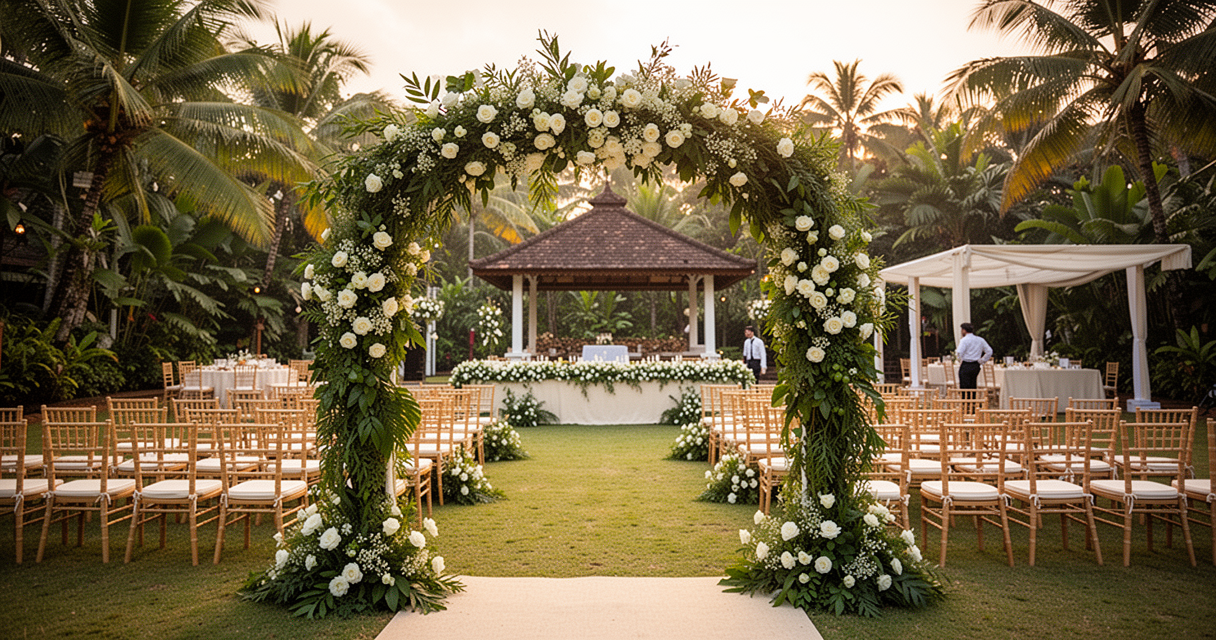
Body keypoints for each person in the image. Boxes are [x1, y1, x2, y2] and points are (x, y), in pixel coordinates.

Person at [955, 322, 993, 390]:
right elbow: (989, 351)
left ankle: (966, 400)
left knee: (965, 387)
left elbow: (959, 352)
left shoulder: (964, 340)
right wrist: (982, 360)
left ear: (964, 330)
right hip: (975, 365)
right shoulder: (980, 339)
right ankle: (973, 399)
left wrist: (960, 359)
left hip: (966, 364)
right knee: (973, 384)